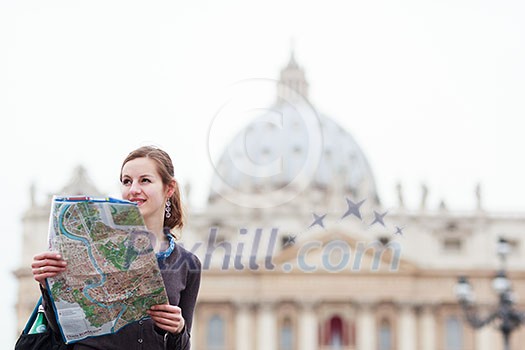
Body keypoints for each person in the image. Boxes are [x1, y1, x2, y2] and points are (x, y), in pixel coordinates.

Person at [31, 146, 201, 349]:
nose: (133, 190)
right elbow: (59, 331)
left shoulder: (188, 264)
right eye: (127, 181)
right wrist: (47, 285)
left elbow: (182, 346)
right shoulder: (90, 247)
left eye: (144, 180)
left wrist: (179, 329)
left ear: (169, 188)